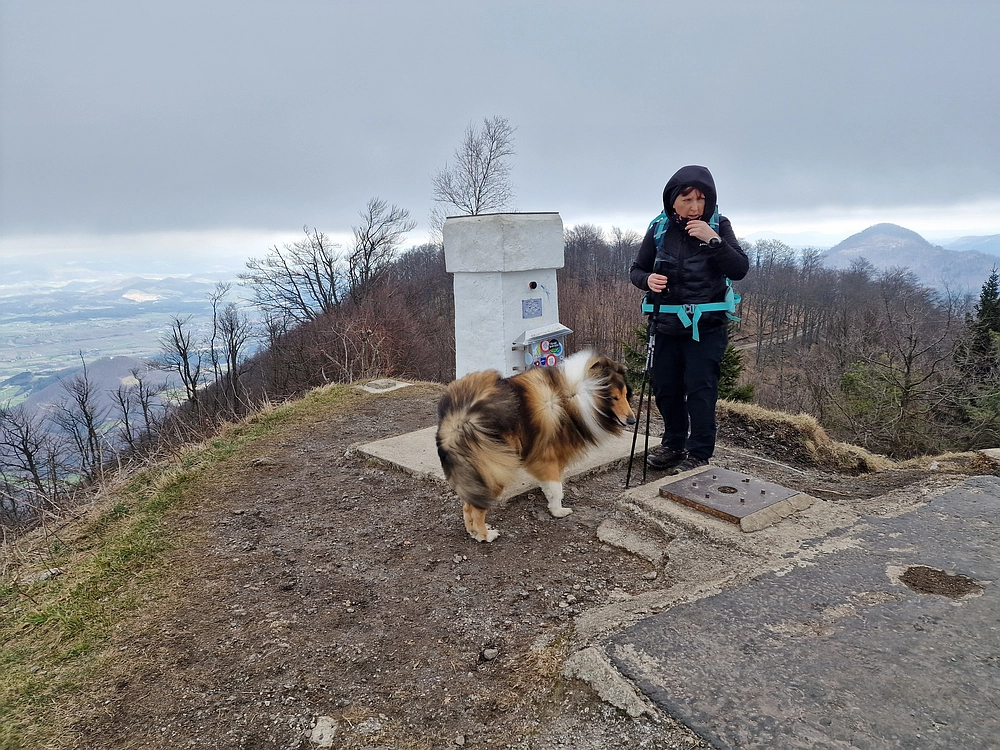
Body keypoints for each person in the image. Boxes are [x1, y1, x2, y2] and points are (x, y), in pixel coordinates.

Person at [629, 165, 749, 473]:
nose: (695, 207)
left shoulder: (719, 225)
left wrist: (714, 240)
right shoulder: (658, 229)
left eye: (701, 199)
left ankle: (699, 454)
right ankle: (673, 444)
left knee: (700, 388)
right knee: (666, 388)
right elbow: (637, 270)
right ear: (672, 201)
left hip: (706, 328)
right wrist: (648, 281)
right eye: (687, 199)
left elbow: (739, 269)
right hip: (666, 325)